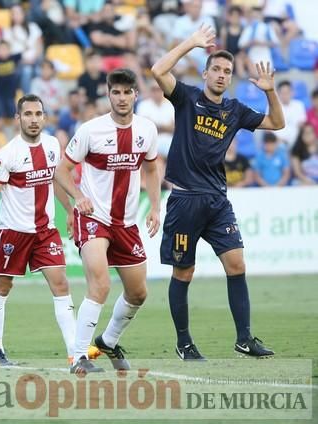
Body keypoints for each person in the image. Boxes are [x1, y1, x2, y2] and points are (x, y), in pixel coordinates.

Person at [151, 25, 285, 360]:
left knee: (237, 264)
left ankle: (244, 338)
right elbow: (157, 70)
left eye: (227, 71)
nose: (222, 75)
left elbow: (277, 124)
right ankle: (184, 343)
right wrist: (191, 43)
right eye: (217, 69)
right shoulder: (186, 97)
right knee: (184, 272)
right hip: (184, 200)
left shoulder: (235, 110)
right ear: (206, 72)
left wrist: (270, 91)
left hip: (217, 200)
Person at [55, 69, 161, 375]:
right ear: (108, 94)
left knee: (138, 293)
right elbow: (61, 171)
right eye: (116, 92)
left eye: (128, 92)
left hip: (126, 223)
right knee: (100, 285)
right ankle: (78, 357)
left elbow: (152, 170)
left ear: (135, 95)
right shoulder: (91, 130)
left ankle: (109, 340)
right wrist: (77, 197)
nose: (122, 97)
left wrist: (155, 208)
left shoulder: (147, 130)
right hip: (93, 217)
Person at [0, 94, 79, 367]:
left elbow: (55, 178)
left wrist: (69, 210)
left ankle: (75, 354)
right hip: (14, 232)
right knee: (2, 285)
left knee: (61, 283)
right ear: (18, 119)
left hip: (45, 231)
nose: (34, 119)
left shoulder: (53, 145)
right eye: (28, 114)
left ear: (44, 117)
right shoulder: (8, 153)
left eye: (38, 114)